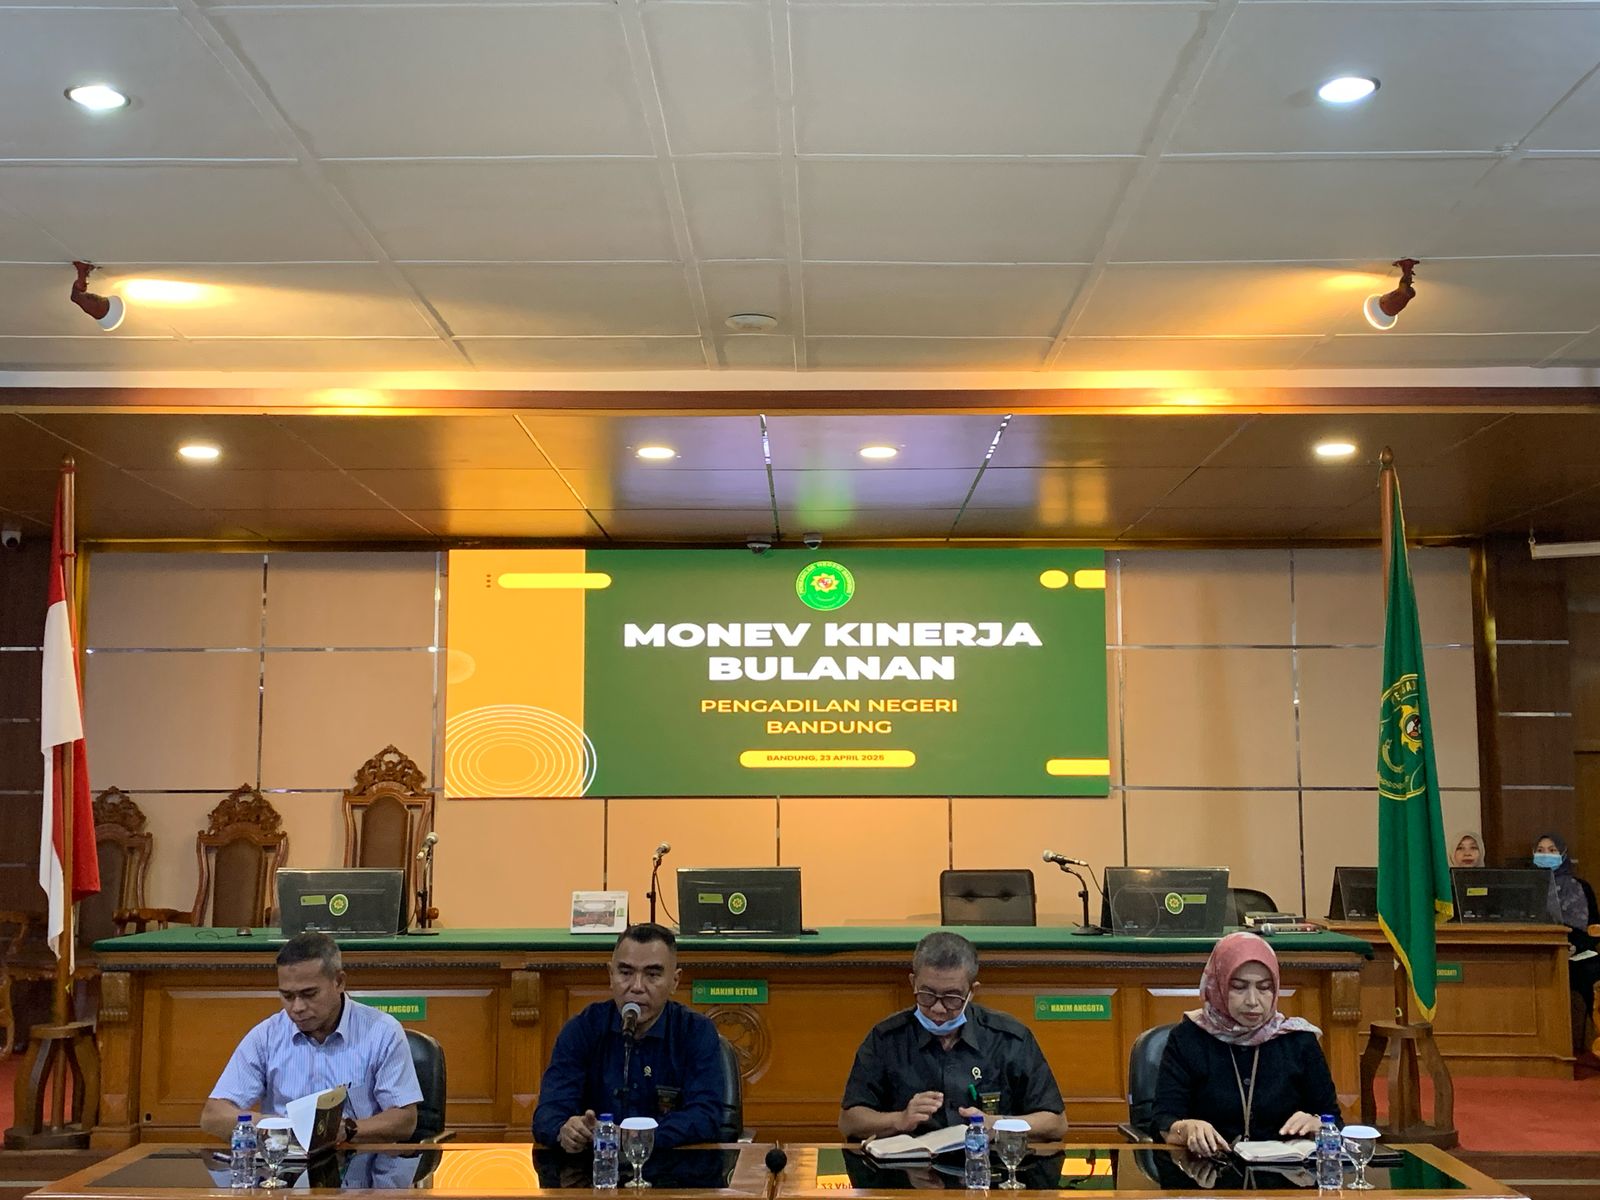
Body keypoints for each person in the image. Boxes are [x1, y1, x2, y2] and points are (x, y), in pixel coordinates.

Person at [839, 930, 1067, 1142]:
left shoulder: (1009, 1039)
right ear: (913, 983)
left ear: (972, 992)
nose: (938, 1009)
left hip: (988, 1164)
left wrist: (998, 1124)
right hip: (910, 1166)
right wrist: (899, 1119)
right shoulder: (886, 1038)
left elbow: (1055, 1123)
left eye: (952, 998)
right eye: (927, 995)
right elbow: (849, 1121)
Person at [202, 931, 421, 1142]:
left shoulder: (382, 1032)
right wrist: (275, 1126)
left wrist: (348, 1130)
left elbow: (405, 1120)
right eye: (287, 996)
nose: (297, 1007)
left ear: (339, 982)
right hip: (284, 1161)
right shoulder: (266, 1036)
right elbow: (213, 1116)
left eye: (309, 994)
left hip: (359, 1160)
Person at [533, 923, 724, 1151]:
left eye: (652, 975)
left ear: (675, 981)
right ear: (610, 975)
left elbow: (706, 1116)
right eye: (626, 973)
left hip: (670, 1167)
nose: (637, 987)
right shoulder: (583, 1029)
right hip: (595, 1167)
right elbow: (548, 1114)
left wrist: (637, 1137)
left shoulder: (695, 1032)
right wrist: (565, 1130)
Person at [1154, 931, 1338, 1156]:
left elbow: (1334, 1119)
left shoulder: (1298, 1040)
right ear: (1218, 986)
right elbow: (1163, 1121)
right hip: (1208, 1168)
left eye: (1264, 987)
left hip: (1286, 1171)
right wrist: (1186, 1128)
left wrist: (1319, 1124)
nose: (1252, 1001)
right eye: (1239, 987)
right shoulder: (1188, 1038)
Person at [1534, 833, 1600, 1034]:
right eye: (1540, 851)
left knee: (1593, 970)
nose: (1546, 855)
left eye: (1552, 850)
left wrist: (1574, 946)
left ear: (1563, 855)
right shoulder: (1528, 887)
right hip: (1537, 954)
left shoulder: (1580, 887)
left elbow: (1594, 928)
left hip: (1575, 954)